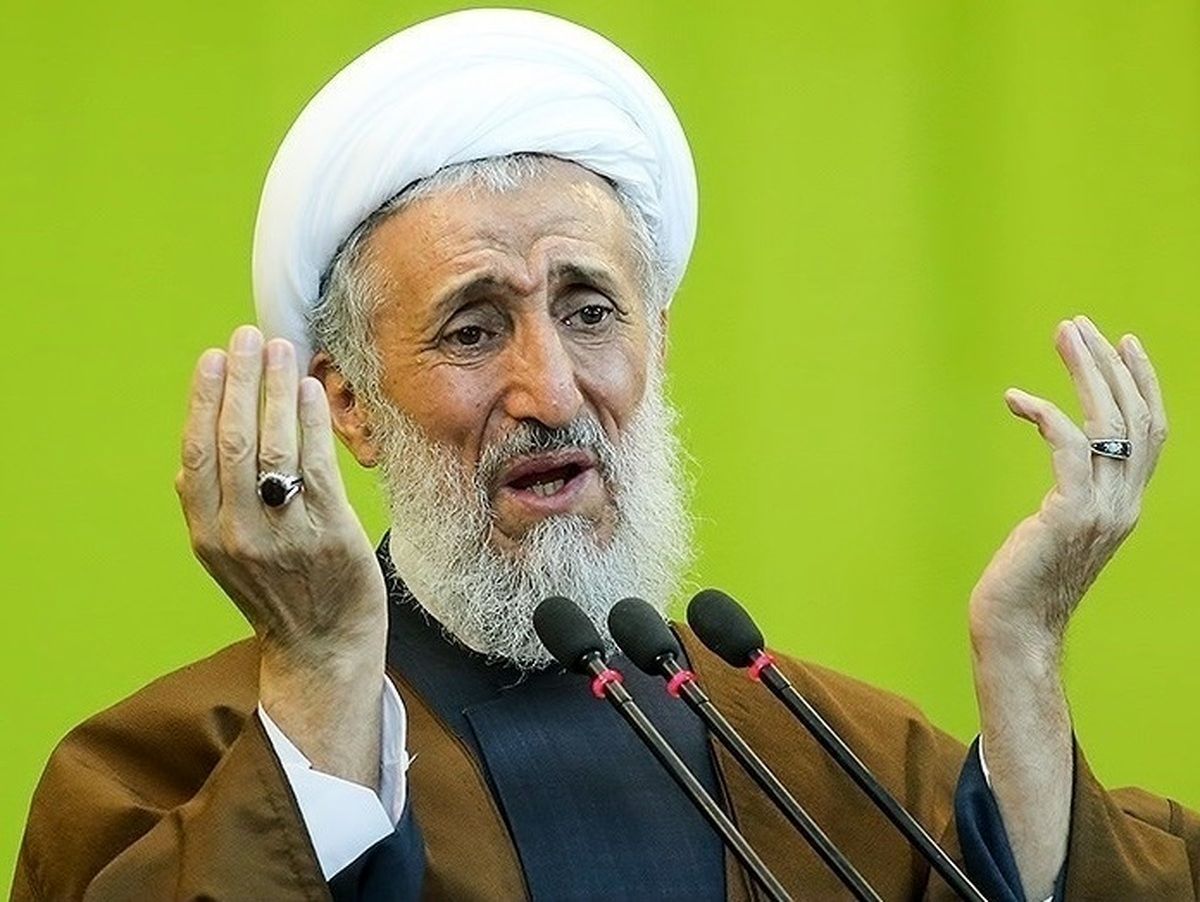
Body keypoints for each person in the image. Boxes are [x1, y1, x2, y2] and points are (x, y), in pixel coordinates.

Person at [12, 9, 1198, 902]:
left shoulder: (824, 746)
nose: (551, 390)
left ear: (658, 344)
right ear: (349, 407)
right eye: (473, 329)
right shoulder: (171, 762)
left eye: (589, 312)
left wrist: (1024, 653)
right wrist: (322, 673)